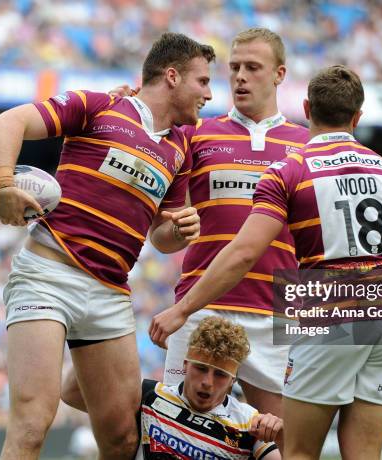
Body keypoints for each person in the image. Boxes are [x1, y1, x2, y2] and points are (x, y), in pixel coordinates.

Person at [149, 65, 382, 460]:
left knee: (298, 453)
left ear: (307, 109)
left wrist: (183, 309)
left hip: (329, 316)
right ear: (357, 117)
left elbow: (244, 252)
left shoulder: (291, 170)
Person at [62, 27, 308, 434]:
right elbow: (161, 238)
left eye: (253, 67)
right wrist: (176, 231)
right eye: (234, 68)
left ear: (280, 74)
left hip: (273, 315)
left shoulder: (305, 145)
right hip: (199, 307)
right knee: (178, 438)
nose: (240, 77)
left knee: (286, 441)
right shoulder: (194, 135)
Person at [0, 33, 214, 460]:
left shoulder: (180, 146)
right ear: (172, 76)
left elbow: (160, 237)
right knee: (33, 424)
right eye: (202, 81)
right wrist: (3, 186)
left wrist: (178, 231)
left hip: (110, 294)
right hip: (47, 276)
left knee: (123, 438)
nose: (209, 93)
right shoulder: (100, 106)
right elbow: (6, 123)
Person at [65, 315, 283, 460]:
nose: (207, 382)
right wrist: (98, 334)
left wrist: (279, 432)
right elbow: (71, 393)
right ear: (185, 365)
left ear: (233, 380)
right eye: (200, 368)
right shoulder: (149, 396)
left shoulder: (249, 422)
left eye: (220, 375)